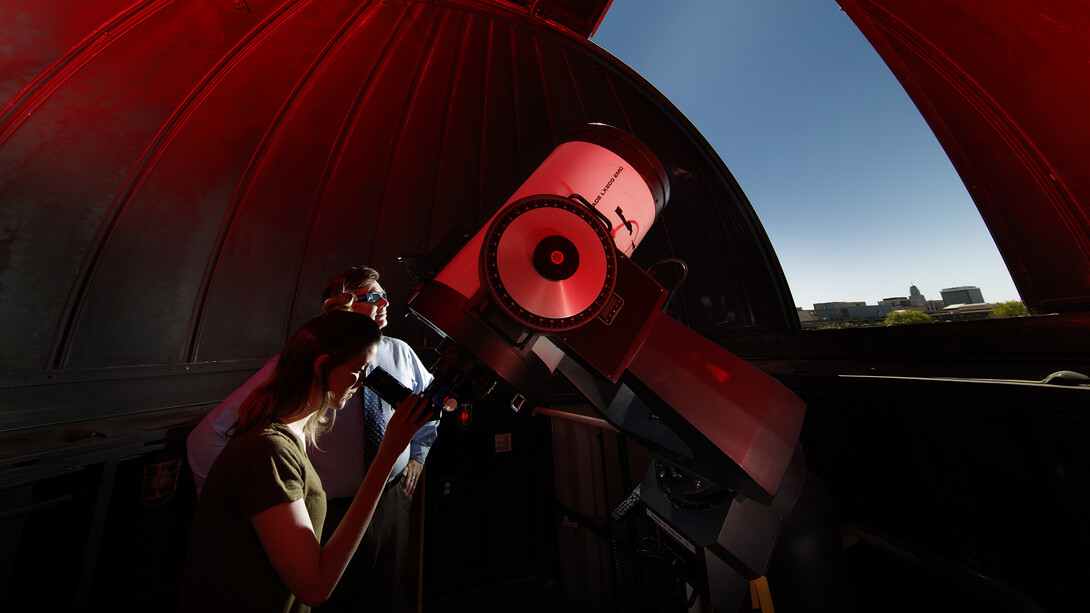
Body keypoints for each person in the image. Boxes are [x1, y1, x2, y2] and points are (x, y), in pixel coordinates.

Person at [186, 266, 440, 611]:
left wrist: (416, 455)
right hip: (327, 510)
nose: (362, 382)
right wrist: (234, 508)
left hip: (390, 500)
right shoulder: (273, 446)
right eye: (373, 296)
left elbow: (426, 407)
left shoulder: (399, 353)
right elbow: (314, 585)